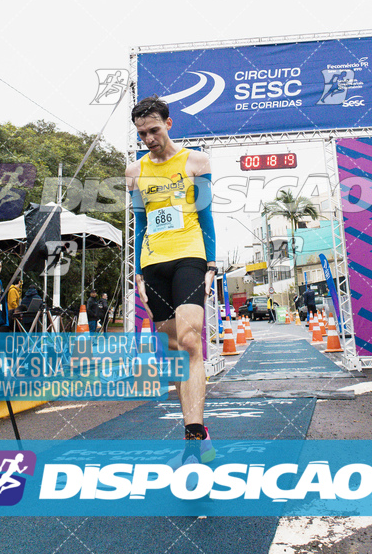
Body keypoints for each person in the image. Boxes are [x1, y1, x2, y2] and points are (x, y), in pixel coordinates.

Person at [126, 95, 217, 469]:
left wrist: (211, 266)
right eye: (142, 134)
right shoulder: (134, 173)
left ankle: (193, 435)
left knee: (192, 339)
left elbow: (207, 216)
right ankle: (196, 428)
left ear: (169, 123)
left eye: (154, 130)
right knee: (176, 350)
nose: (149, 138)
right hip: (153, 263)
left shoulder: (195, 161)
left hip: (190, 256)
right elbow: (141, 225)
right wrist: (136, 273)